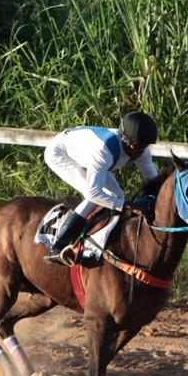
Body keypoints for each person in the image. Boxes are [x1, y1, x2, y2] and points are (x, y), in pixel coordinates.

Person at [42, 111, 161, 263]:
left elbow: (155, 180)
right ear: (124, 139)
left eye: (144, 146)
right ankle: (58, 246)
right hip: (61, 153)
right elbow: (93, 194)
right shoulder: (104, 151)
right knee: (94, 198)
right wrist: (130, 206)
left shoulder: (140, 149)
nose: (140, 152)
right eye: (138, 146)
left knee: (118, 195)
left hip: (86, 154)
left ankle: (105, 240)